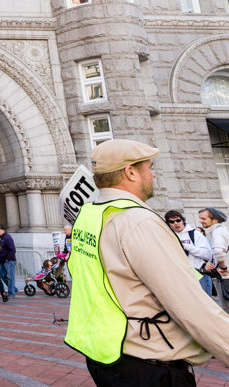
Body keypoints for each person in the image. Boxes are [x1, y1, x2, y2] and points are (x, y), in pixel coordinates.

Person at [65, 139, 229, 385]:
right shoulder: (137, 221)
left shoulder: (91, 215)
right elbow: (188, 303)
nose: (153, 174)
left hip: (107, 354)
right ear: (130, 171)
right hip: (149, 362)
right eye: (148, 167)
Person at [165, 210, 213, 298]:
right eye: (172, 221)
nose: (176, 223)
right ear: (169, 224)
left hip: (200, 274)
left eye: (178, 220)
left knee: (205, 305)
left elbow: (207, 254)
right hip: (182, 276)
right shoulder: (169, 236)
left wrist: (187, 246)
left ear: (182, 220)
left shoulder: (194, 233)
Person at [199, 206, 229, 313]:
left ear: (215, 219)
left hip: (226, 277)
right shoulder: (220, 230)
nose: (200, 221)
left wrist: (223, 267)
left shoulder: (217, 232)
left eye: (203, 218)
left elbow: (219, 251)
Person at [0, 224, 17, 299]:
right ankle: (14, 289)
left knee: (11, 277)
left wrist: (8, 258)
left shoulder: (7, 238)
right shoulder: (1, 238)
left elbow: (12, 249)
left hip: (9, 261)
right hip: (2, 261)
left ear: (2, 230)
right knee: (3, 275)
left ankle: (11, 293)